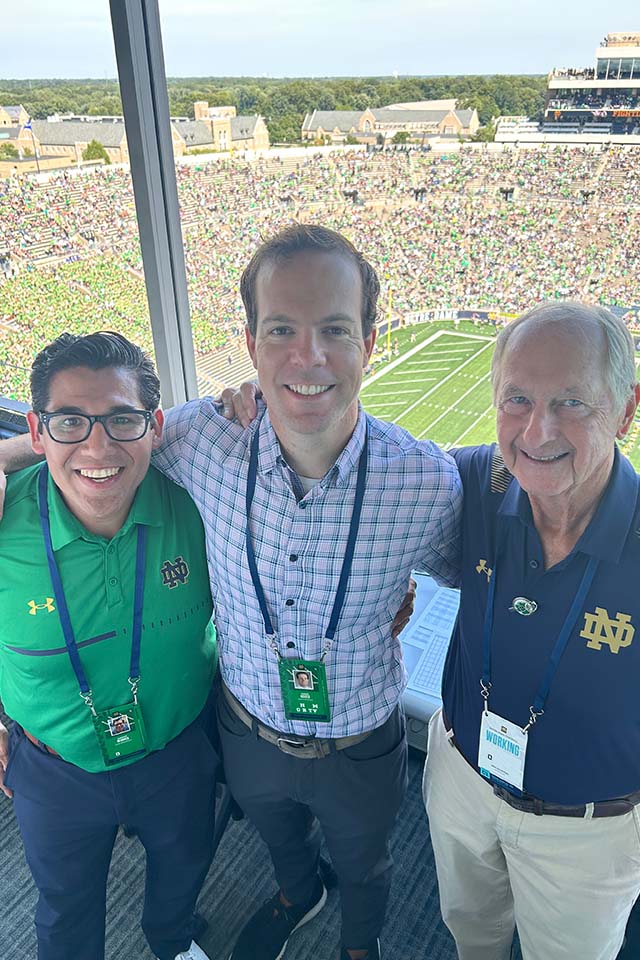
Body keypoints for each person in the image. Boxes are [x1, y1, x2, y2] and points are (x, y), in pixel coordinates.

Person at [150, 223, 461, 960]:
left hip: (359, 742)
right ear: (251, 342)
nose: (307, 357)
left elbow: (489, 579)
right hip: (246, 726)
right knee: (275, 837)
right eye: (282, 329)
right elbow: (91, 455)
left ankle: (360, 946)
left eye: (334, 330)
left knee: (368, 863)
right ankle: (298, 892)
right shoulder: (199, 439)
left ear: (370, 342)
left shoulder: (426, 483)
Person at [423, 302, 640, 960]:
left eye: (572, 401)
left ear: (626, 411)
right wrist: (257, 406)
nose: (538, 428)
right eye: (517, 398)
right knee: (471, 931)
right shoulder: (477, 481)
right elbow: (357, 462)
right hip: (462, 774)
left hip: (589, 828)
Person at [0, 332, 218, 960]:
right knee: (65, 906)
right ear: (37, 432)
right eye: (71, 421)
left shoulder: (200, 506)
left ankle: (173, 940)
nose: (98, 447)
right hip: (52, 766)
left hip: (178, 749)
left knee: (185, 868)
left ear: (154, 425)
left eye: (121, 420)